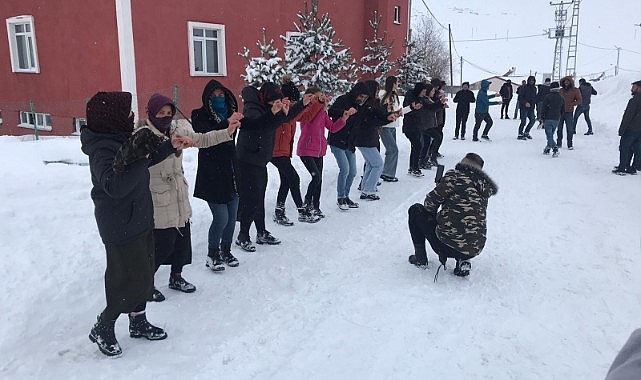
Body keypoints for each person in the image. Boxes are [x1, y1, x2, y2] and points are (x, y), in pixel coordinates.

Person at [81, 91, 193, 356]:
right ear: (113, 118)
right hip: (119, 224)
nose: (132, 117)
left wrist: (169, 147)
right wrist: (140, 157)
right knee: (125, 281)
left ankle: (138, 321)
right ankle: (104, 327)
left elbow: (142, 160)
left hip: (140, 215)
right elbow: (114, 185)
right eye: (127, 114)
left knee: (144, 276)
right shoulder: (101, 148)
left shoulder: (119, 137)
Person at [141, 93, 239, 299]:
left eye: (169, 113)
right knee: (162, 243)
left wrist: (226, 132)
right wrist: (169, 146)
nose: (165, 117)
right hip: (158, 195)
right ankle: (145, 283)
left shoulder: (178, 130)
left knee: (181, 240)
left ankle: (176, 276)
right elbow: (145, 161)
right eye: (160, 113)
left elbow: (203, 139)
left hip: (178, 192)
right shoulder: (143, 135)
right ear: (151, 113)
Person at [235, 82, 311, 251]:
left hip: (260, 160)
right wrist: (274, 113)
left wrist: (302, 104)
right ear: (265, 99)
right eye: (273, 102)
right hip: (247, 161)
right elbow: (261, 125)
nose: (275, 105)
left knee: (259, 197)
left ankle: (261, 232)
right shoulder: (253, 108)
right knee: (250, 200)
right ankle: (243, 235)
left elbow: (282, 119)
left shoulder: (267, 109)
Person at [407, 153, 498, 278]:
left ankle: (420, 258)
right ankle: (463, 260)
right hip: (474, 248)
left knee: (415, 210)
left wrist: (440, 188)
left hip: (446, 244)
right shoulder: (483, 187)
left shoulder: (455, 176)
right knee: (465, 227)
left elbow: (429, 205)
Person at [192, 80, 245, 272]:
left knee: (232, 218)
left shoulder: (232, 113)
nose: (218, 99)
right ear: (207, 98)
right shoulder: (199, 115)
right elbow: (205, 134)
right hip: (211, 174)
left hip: (231, 172)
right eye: (213, 96)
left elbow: (259, 124)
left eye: (221, 95)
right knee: (221, 217)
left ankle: (226, 250)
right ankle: (212, 254)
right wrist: (226, 123)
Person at [271, 89, 324, 225]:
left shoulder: (293, 113)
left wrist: (318, 102)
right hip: (275, 152)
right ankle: (301, 211)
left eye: (295, 102)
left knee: (287, 180)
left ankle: (279, 211)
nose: (292, 105)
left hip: (284, 152)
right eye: (291, 101)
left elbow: (307, 116)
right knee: (294, 178)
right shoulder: (278, 112)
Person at [298, 87, 353, 212]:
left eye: (322, 96)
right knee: (316, 177)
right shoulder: (306, 111)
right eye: (318, 97)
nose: (321, 99)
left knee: (319, 179)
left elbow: (332, 128)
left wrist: (343, 119)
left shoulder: (323, 113)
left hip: (319, 150)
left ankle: (316, 206)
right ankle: (307, 203)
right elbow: (309, 117)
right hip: (306, 149)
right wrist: (319, 104)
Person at [327, 82, 371, 209]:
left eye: (365, 97)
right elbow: (331, 112)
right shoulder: (343, 99)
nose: (362, 99)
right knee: (344, 169)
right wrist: (345, 112)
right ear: (356, 93)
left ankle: (346, 196)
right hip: (337, 140)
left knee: (352, 172)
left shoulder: (362, 107)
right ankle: (340, 197)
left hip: (349, 143)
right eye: (361, 96)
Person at [402, 82, 442, 176]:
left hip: (418, 126)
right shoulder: (410, 97)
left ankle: (412, 167)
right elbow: (406, 110)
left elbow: (430, 107)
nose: (424, 93)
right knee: (418, 146)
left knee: (416, 146)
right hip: (410, 126)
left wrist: (440, 104)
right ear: (419, 91)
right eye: (423, 91)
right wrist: (413, 107)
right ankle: (415, 167)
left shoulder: (421, 99)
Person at [378, 76, 406, 181]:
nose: (398, 84)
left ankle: (388, 172)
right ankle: (387, 173)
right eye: (396, 82)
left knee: (391, 150)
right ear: (392, 84)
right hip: (385, 126)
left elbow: (394, 109)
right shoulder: (383, 95)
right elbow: (383, 110)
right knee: (393, 150)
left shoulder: (394, 96)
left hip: (393, 126)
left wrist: (399, 112)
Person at [612, 80, 641, 175]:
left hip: (631, 128)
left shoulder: (635, 100)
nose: (631, 89)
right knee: (637, 149)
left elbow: (628, 116)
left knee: (624, 148)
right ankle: (632, 168)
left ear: (639, 88)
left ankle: (622, 169)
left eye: (634, 87)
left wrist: (622, 129)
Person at [556, 76, 582, 150]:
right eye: (565, 81)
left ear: (571, 82)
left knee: (570, 129)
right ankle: (559, 143)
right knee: (559, 128)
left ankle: (570, 144)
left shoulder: (575, 90)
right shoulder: (560, 90)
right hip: (560, 112)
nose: (566, 83)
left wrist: (572, 104)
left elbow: (579, 100)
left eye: (568, 81)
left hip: (569, 112)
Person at [540, 81, 564, 157]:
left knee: (549, 136)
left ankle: (555, 148)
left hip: (548, 118)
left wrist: (542, 117)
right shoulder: (561, 97)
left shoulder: (548, 97)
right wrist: (559, 115)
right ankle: (547, 148)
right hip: (556, 118)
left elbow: (543, 108)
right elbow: (563, 109)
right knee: (551, 135)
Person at [517, 76, 538, 140]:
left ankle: (526, 132)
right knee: (523, 121)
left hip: (531, 107)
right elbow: (520, 97)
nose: (531, 82)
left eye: (533, 80)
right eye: (530, 80)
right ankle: (520, 134)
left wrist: (535, 104)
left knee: (532, 120)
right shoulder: (524, 87)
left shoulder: (534, 88)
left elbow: (535, 97)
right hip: (524, 107)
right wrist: (525, 102)